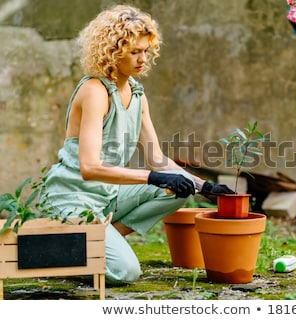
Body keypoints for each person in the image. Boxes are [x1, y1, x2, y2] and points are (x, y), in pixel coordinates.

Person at [41, 4, 233, 285]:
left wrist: (205, 187)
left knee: (178, 188)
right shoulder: (95, 91)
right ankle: (63, 249)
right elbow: (89, 167)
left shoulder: (137, 94)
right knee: (126, 272)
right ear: (112, 51)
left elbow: (157, 158)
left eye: (146, 50)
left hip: (108, 197)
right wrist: (153, 177)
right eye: (134, 52)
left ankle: (100, 241)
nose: (143, 59)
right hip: (73, 200)